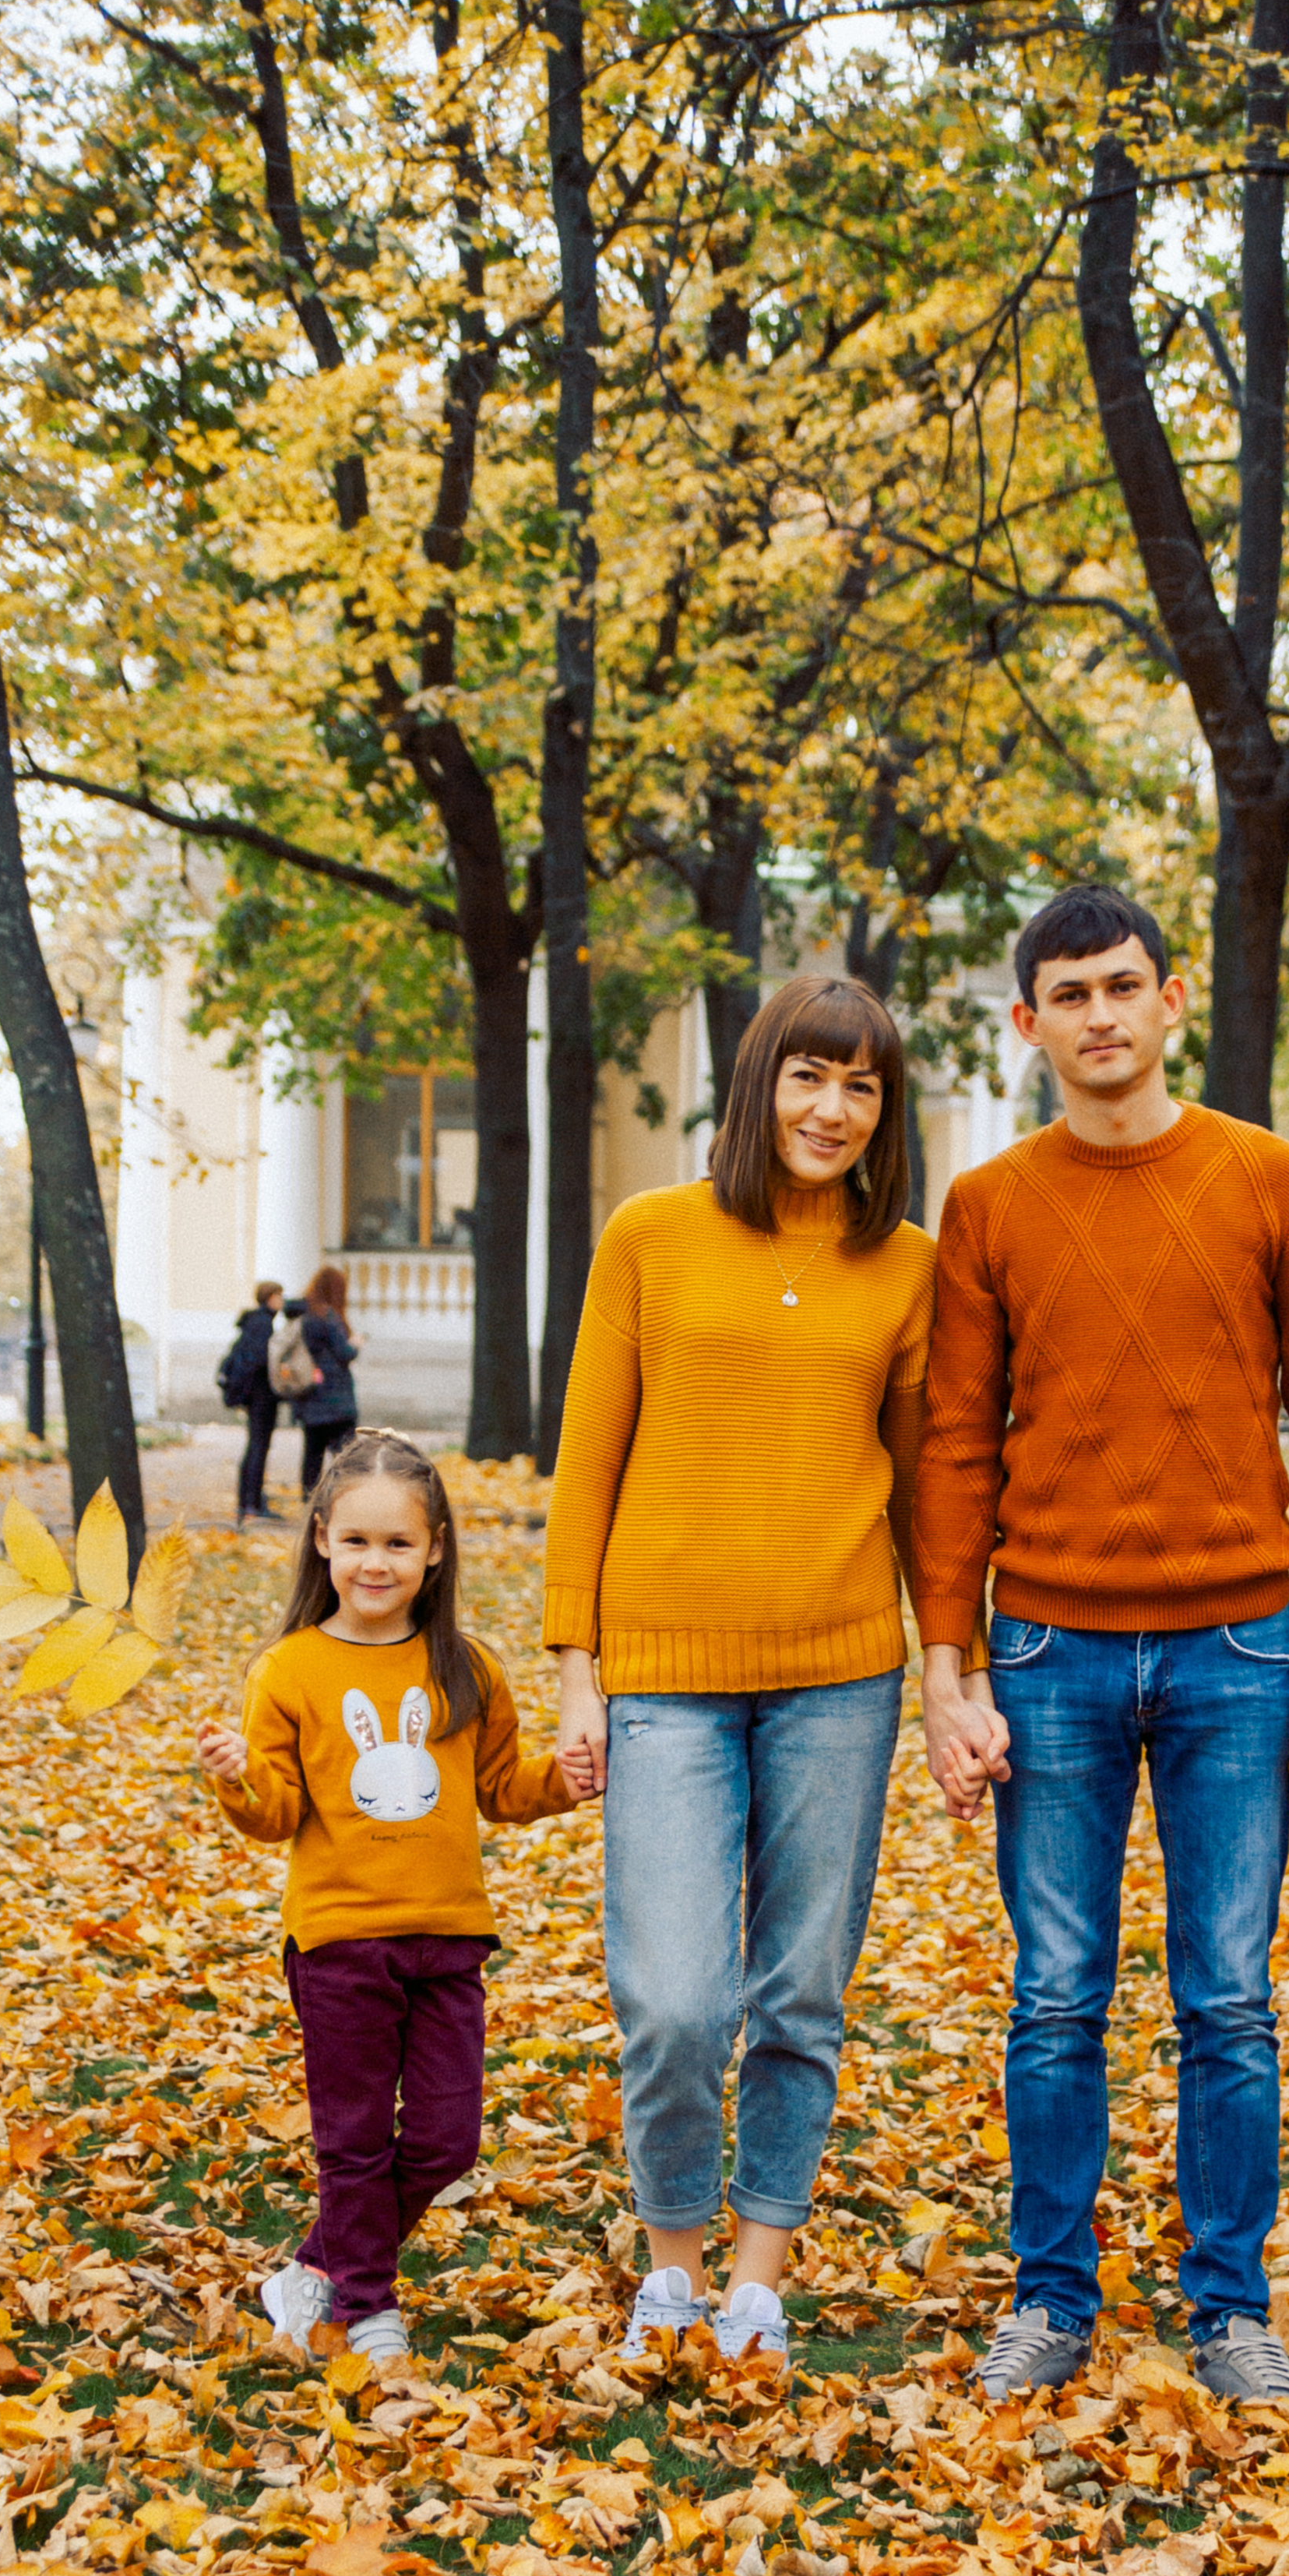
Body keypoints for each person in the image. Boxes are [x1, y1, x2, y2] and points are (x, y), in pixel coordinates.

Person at [914, 885, 1289, 2413]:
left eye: (1124, 986)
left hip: (1237, 1652)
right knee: (1054, 1996)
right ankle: (1050, 2300)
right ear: (1027, 1021)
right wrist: (949, 1666)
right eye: (1070, 993)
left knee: (1225, 1999)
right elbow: (951, 1452)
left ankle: (1229, 2311)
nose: (1101, 1015)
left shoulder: (1268, 1182)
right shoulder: (987, 1208)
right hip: (1045, 1647)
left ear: (1169, 998)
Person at [545, 976, 951, 2371]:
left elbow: (924, 1490)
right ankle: (672, 2261)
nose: (832, 1110)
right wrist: (573, 1664)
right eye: (807, 1077)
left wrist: (949, 1664)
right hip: (663, 1672)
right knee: (671, 1998)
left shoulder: (907, 1266)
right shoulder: (649, 1235)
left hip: (841, 1674)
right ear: (758, 1081)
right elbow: (588, 1455)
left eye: (862, 1088)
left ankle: (761, 2278)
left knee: (799, 1992)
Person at [197, 1432, 577, 2369]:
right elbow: (277, 1813)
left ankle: (319, 2266)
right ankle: (367, 2307)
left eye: (399, 1544)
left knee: (447, 2140)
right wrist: (236, 1780)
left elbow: (499, 1788)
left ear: (437, 1548)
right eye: (358, 1541)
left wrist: (564, 1782)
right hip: (339, 1946)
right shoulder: (288, 1671)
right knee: (356, 2143)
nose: (376, 1562)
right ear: (322, 1539)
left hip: (449, 1940)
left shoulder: (466, 1670)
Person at [280, 1266, 358, 1495]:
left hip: (309, 1392)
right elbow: (344, 1353)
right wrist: (355, 1344)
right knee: (345, 1454)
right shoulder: (329, 1317)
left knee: (312, 1452)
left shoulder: (303, 1316)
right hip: (336, 1397)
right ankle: (345, 1497)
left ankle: (309, 1497)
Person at [218, 1281, 284, 1522]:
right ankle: (252, 1502)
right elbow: (260, 1361)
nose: (282, 1301)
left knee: (255, 1445)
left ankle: (248, 1500)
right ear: (270, 1298)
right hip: (261, 1395)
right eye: (279, 1296)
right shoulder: (263, 1324)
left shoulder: (252, 1322)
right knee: (258, 1446)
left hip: (253, 1395)